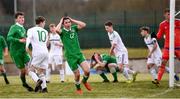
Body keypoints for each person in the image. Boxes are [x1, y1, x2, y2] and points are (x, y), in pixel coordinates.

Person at [56, 17, 92, 95]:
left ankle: (84, 81)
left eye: (69, 22)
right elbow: (56, 30)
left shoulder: (74, 28)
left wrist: (72, 20)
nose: (68, 23)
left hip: (79, 54)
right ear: (63, 24)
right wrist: (60, 21)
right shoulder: (62, 32)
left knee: (87, 71)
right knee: (77, 74)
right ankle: (78, 88)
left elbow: (83, 25)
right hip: (70, 56)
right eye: (66, 22)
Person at [7, 12, 33, 91]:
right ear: (16, 19)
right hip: (16, 53)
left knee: (31, 62)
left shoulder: (23, 28)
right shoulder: (13, 27)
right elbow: (9, 38)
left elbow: (25, 40)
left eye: (23, 17)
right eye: (20, 17)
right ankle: (24, 84)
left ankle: (37, 79)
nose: (22, 19)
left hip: (23, 52)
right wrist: (19, 40)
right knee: (23, 71)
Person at [156, 8, 180, 83]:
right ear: (165, 15)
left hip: (179, 46)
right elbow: (159, 36)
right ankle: (158, 79)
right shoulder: (162, 24)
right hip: (168, 47)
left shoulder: (178, 22)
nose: (170, 16)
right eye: (168, 14)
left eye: (171, 14)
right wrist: (154, 36)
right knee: (163, 62)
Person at [26, 16, 49, 93]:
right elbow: (47, 43)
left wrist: (26, 46)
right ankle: (44, 89)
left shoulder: (31, 30)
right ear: (41, 22)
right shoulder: (45, 31)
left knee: (29, 70)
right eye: (44, 22)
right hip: (45, 52)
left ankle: (38, 80)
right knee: (40, 71)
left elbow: (28, 38)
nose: (44, 24)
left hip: (37, 52)